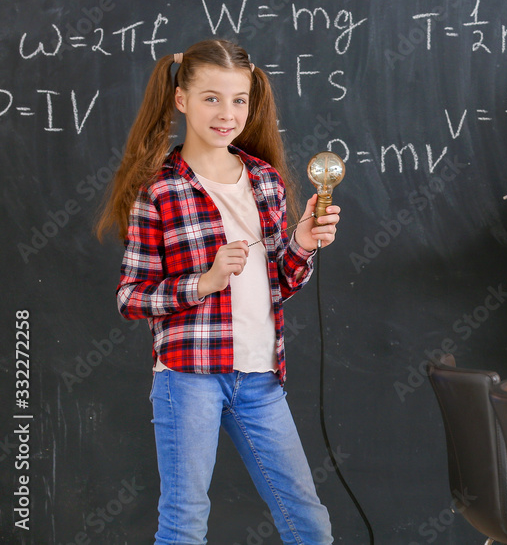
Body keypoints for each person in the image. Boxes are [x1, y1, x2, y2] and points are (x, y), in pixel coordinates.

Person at [96, 39, 337, 544]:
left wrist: (302, 243)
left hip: (261, 379)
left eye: (238, 100)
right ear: (181, 100)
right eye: (211, 98)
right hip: (188, 378)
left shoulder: (265, 180)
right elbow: (130, 297)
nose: (227, 114)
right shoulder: (158, 189)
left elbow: (278, 282)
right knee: (185, 521)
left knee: (308, 520)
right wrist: (201, 284)